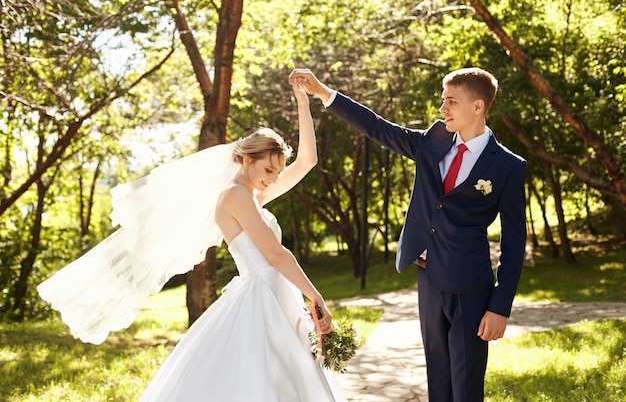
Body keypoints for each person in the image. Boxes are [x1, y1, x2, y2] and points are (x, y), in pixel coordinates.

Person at [38, 83, 345, 402]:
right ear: (246, 159)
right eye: (268, 169)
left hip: (278, 294)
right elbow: (276, 255)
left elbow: (308, 160)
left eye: (277, 171)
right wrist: (316, 296)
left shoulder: (255, 194)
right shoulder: (235, 196)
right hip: (260, 297)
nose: (273, 177)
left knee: (291, 378)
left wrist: (301, 101)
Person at [289, 67, 527, 402]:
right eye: (443, 101)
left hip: (470, 287)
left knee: (466, 385)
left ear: (477, 107)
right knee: (438, 381)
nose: (443, 109)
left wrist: (500, 307)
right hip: (428, 279)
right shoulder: (434, 141)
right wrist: (323, 92)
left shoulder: (508, 166)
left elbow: (515, 244)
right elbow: (377, 128)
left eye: (451, 102)